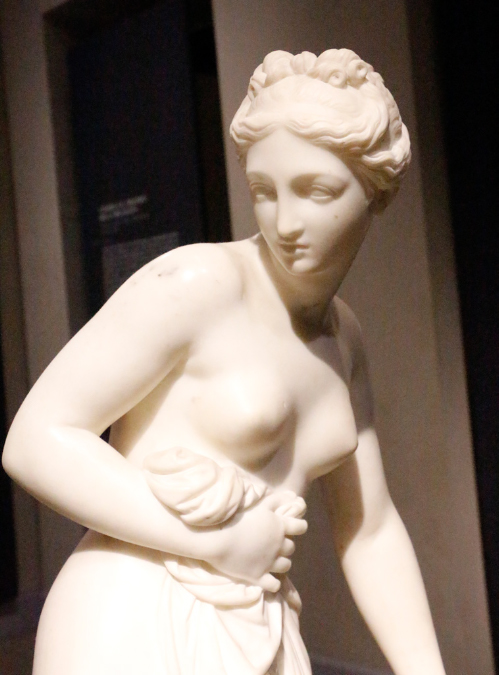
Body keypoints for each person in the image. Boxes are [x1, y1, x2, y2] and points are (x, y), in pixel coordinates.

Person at [2, 49, 446, 675]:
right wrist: (213, 539)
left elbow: (369, 529)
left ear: (374, 190)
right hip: (134, 614)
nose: (286, 222)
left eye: (316, 191)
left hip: (260, 616)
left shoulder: (344, 337)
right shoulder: (200, 283)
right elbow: (35, 437)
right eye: (264, 190)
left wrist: (425, 667)